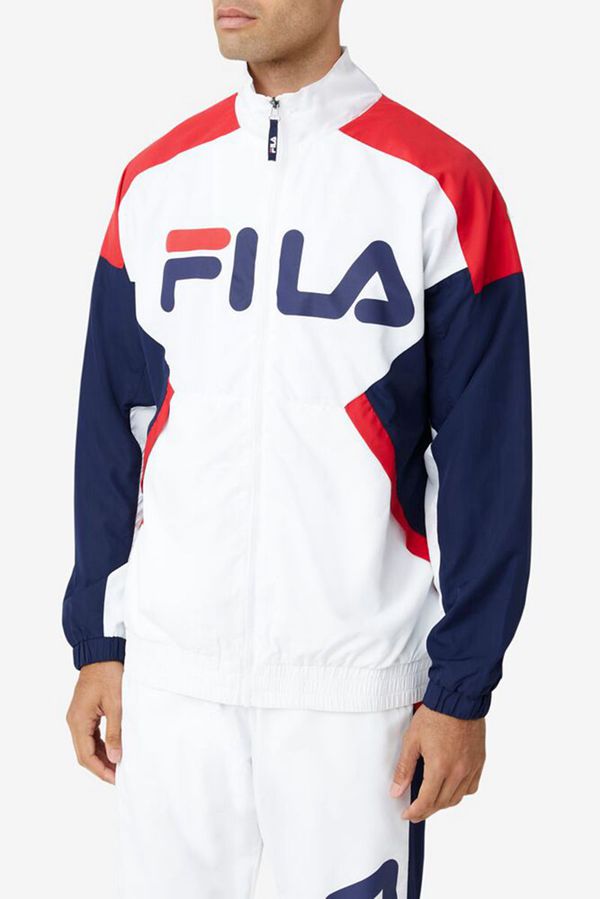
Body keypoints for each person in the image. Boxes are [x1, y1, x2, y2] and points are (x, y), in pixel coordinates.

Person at [63, 2, 532, 896]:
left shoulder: (440, 186)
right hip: (172, 681)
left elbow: (488, 458)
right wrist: (100, 641)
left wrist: (461, 687)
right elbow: (113, 427)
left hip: (354, 694)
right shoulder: (156, 183)